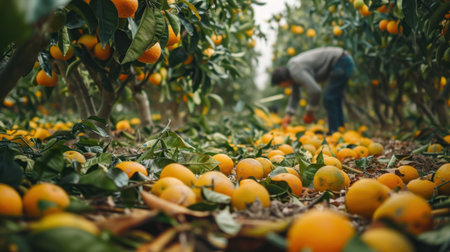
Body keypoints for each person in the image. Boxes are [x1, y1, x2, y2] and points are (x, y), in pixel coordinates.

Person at [271, 47, 355, 133]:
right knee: (335, 99)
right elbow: (295, 95)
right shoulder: (293, 73)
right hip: (344, 60)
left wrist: (310, 113)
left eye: (280, 85)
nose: (283, 87)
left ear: (284, 80)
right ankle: (340, 130)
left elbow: (315, 91)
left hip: (341, 61)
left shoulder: (295, 70)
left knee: (329, 99)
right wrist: (289, 114)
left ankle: (334, 132)